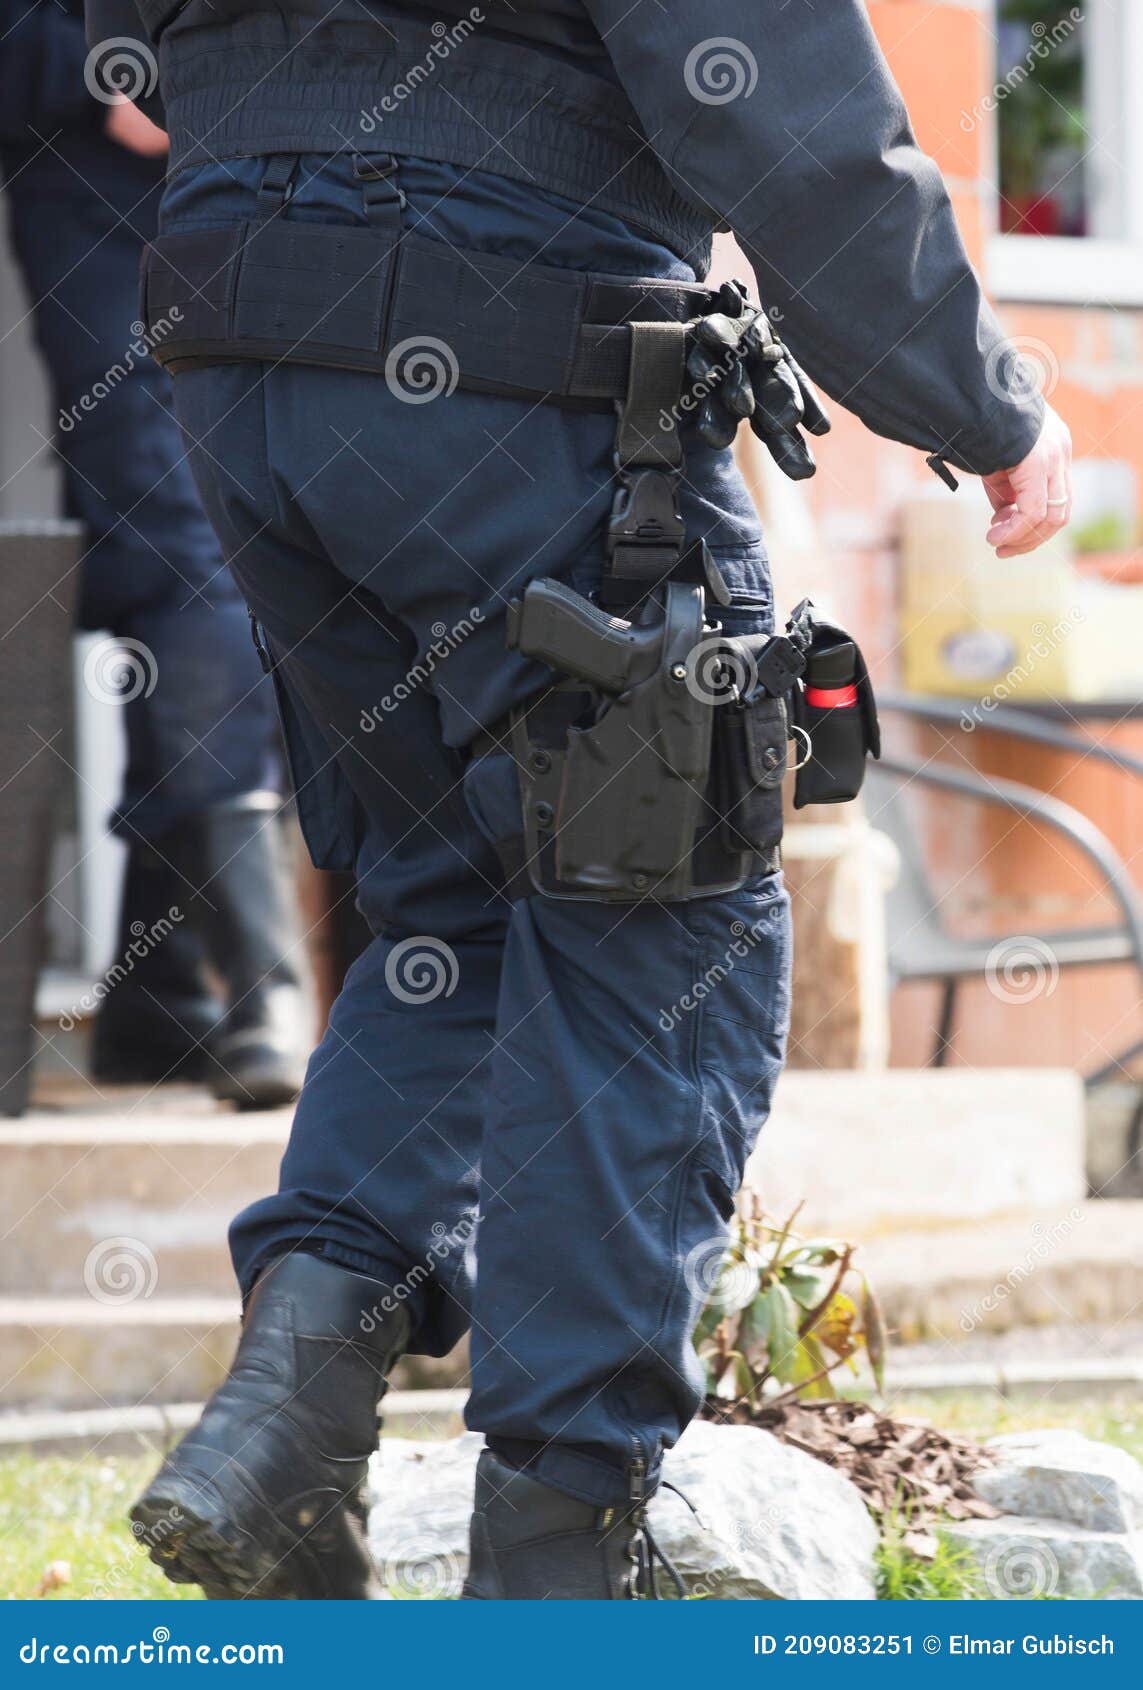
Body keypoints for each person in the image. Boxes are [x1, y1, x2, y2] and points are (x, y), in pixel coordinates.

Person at [85, 0, 1072, 1598]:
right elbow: (781, 105)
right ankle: (556, 1549)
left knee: (448, 908)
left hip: (238, 351)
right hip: (518, 364)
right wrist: (977, 399)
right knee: (651, 931)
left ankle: (292, 1404)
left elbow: (117, 62)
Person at [0, 0, 308, 1107]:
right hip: (102, 190)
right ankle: (259, 974)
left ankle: (162, 990)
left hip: (291, 166)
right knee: (190, 554)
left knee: (255, 542)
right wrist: (100, 73)